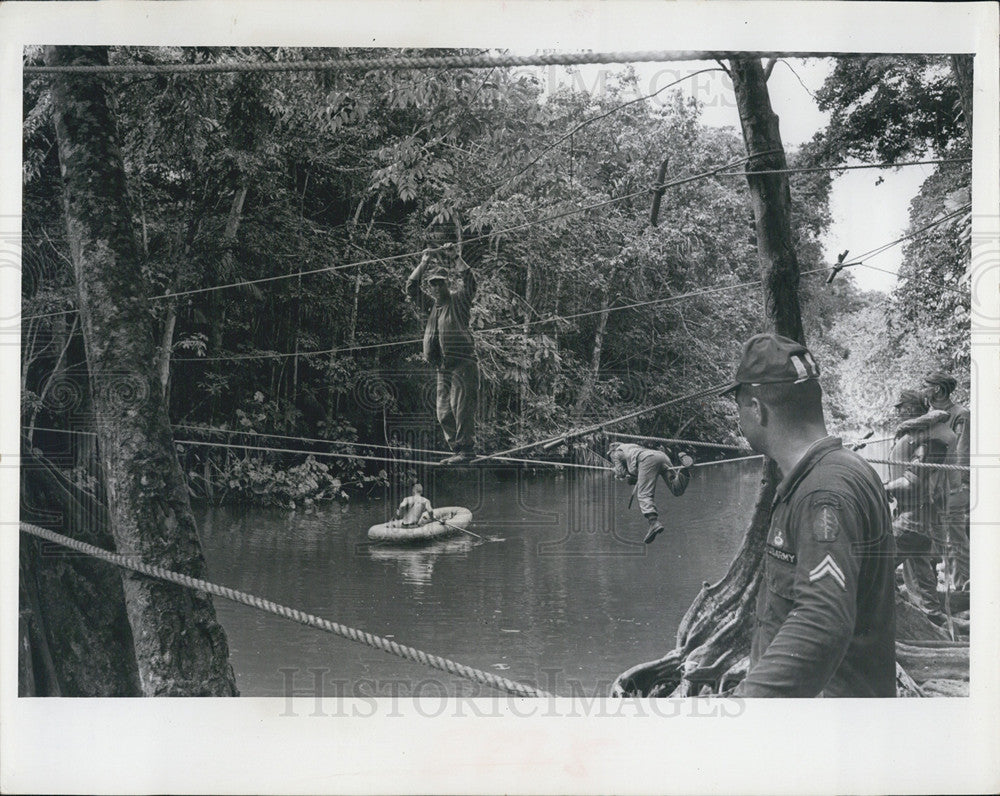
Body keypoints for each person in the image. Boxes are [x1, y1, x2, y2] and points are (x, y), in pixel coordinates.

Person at [724, 333, 895, 697]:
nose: (739, 418)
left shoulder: (822, 493)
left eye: (738, 407)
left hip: (827, 727)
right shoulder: (845, 469)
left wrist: (744, 709)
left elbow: (821, 621)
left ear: (757, 408)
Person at [883, 389, 956, 620]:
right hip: (918, 518)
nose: (898, 413)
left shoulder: (931, 440)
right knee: (922, 577)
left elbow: (911, 482)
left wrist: (883, 487)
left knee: (876, 563)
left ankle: (888, 616)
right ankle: (933, 620)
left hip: (914, 519)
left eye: (902, 408)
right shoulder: (918, 435)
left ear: (914, 409)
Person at [406, 245, 479, 464]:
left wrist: (455, 257)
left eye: (440, 282)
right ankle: (457, 450)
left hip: (463, 363)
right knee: (443, 411)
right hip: (443, 367)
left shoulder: (458, 301)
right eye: (433, 284)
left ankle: (467, 451)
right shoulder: (431, 307)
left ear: (448, 284)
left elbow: (470, 282)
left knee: (461, 408)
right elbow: (411, 287)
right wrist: (424, 262)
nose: (436, 287)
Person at [922, 370, 970, 590]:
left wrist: (952, 488)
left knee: (954, 541)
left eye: (926, 385)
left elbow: (961, 455)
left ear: (938, 389)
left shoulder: (961, 414)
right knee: (937, 539)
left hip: (954, 488)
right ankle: (948, 589)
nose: (923, 390)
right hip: (936, 489)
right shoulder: (932, 416)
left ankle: (965, 589)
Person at [607, 441, 693, 543]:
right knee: (676, 489)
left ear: (613, 450)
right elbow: (639, 472)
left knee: (644, 494)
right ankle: (685, 469)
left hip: (647, 460)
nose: (611, 457)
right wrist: (630, 477)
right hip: (661, 456)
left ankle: (653, 522)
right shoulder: (634, 447)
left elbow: (621, 472)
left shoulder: (616, 453)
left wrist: (617, 472)